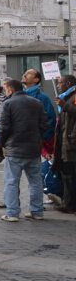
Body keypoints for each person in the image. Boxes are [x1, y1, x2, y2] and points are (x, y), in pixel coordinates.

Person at [0, 78, 46, 222]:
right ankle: (37, 211)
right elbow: (44, 124)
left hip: (14, 148)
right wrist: (38, 137)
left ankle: (12, 213)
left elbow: (4, 127)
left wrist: (2, 143)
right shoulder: (36, 102)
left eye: (6, 89)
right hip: (33, 148)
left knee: (11, 181)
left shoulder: (8, 104)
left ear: (10, 89)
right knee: (35, 181)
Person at [54, 74, 76, 213]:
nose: (58, 86)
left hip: (71, 142)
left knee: (70, 175)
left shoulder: (72, 98)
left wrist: (65, 105)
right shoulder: (67, 97)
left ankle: (70, 204)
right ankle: (67, 202)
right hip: (65, 141)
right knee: (67, 174)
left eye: (60, 83)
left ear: (68, 83)